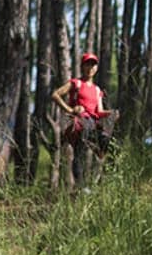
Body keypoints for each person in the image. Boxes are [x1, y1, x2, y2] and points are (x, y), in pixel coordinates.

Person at [50, 51, 118, 189]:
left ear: (96, 68)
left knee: (106, 141)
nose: (90, 67)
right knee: (79, 151)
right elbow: (55, 95)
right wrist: (70, 109)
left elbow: (99, 111)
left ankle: (99, 181)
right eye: (88, 64)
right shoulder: (76, 83)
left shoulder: (97, 89)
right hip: (79, 123)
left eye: (93, 65)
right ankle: (81, 186)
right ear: (82, 66)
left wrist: (111, 113)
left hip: (93, 124)